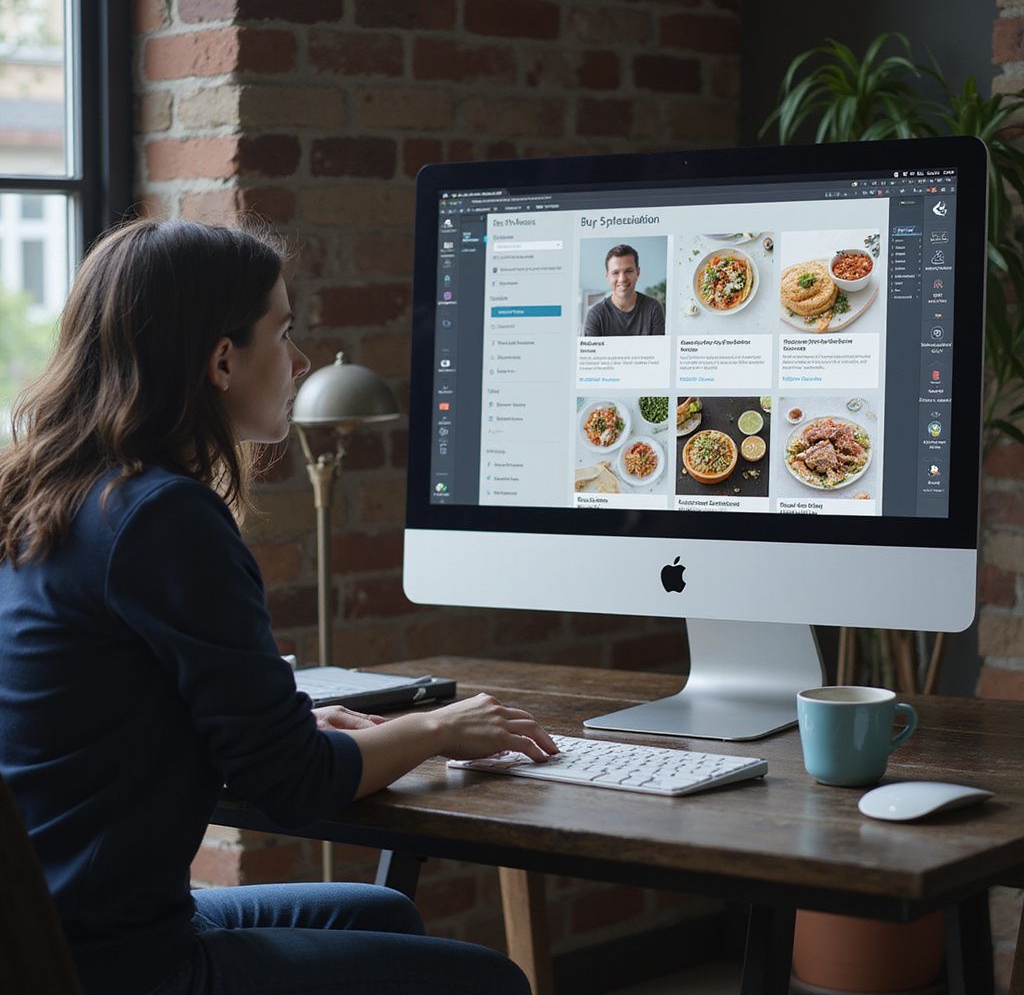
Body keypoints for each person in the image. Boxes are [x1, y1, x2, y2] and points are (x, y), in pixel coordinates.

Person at [0, 218, 556, 995]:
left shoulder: (52, 496)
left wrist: (298, 728)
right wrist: (438, 728)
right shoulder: (162, 518)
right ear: (223, 359)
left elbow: (130, 716)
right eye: (285, 333)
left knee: (382, 914)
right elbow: (291, 787)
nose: (299, 362)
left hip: (49, 936)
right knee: (491, 982)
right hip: (116, 965)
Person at [583, 244, 665, 337]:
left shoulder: (653, 308)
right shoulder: (596, 315)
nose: (622, 279)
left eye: (629, 271)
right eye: (615, 273)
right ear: (607, 277)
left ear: (637, 273)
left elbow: (658, 351)